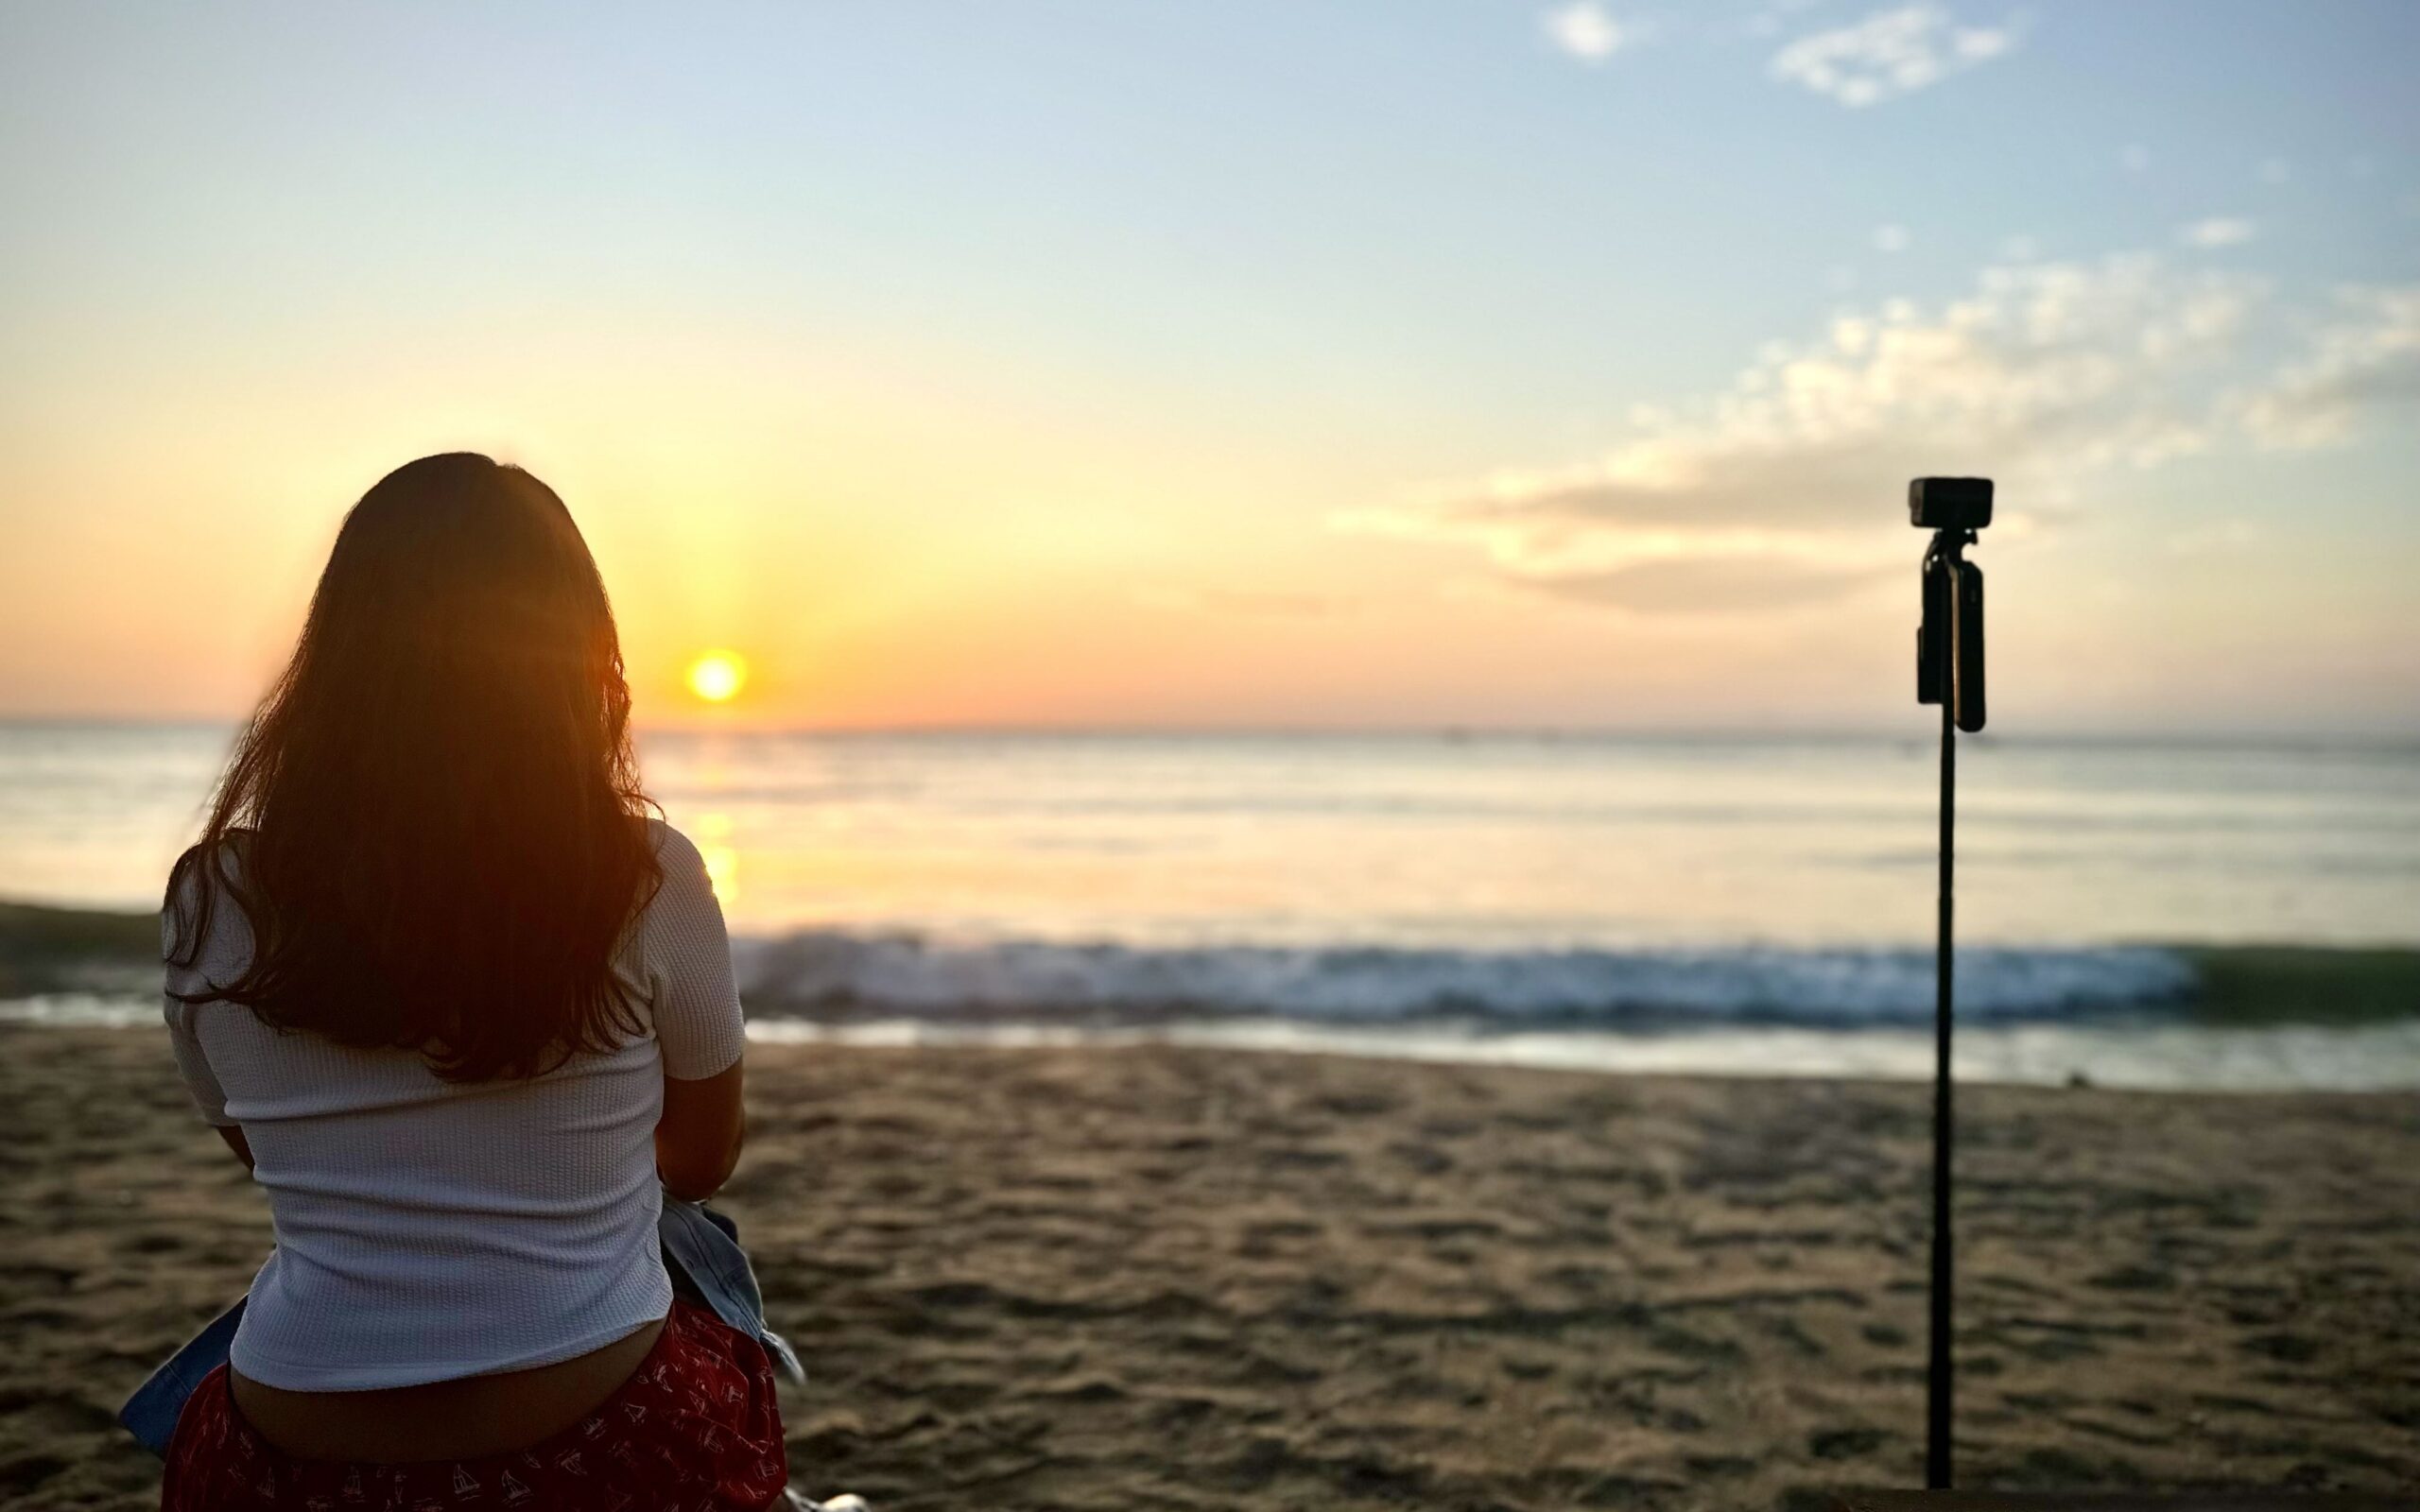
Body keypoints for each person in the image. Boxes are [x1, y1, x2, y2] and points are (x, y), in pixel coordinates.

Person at [150, 454, 790, 1509]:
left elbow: (258, 1145)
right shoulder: (641, 878)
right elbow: (703, 1155)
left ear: (339, 651)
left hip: (284, 1461)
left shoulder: (212, 897)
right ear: (572, 652)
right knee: (702, 1264)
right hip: (596, 1450)